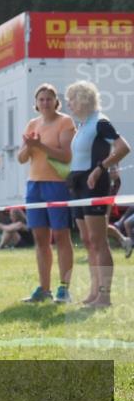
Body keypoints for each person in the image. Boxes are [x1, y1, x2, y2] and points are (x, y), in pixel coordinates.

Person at [65, 81, 131, 308]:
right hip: (78, 185)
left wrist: (100, 168)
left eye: (72, 99)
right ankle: (94, 292)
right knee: (87, 240)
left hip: (94, 184)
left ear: (83, 99)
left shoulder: (101, 122)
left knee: (98, 241)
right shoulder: (82, 124)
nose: (69, 104)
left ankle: (105, 296)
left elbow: (123, 147)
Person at [17, 83, 76, 303]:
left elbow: (66, 156)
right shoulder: (32, 123)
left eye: (48, 99)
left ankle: (64, 288)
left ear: (55, 101)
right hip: (34, 185)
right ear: (36, 103)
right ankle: (44, 288)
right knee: (40, 239)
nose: (45, 103)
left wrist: (41, 146)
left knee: (61, 235)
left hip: (56, 185)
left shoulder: (65, 122)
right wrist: (30, 146)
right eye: (41, 99)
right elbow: (21, 158)